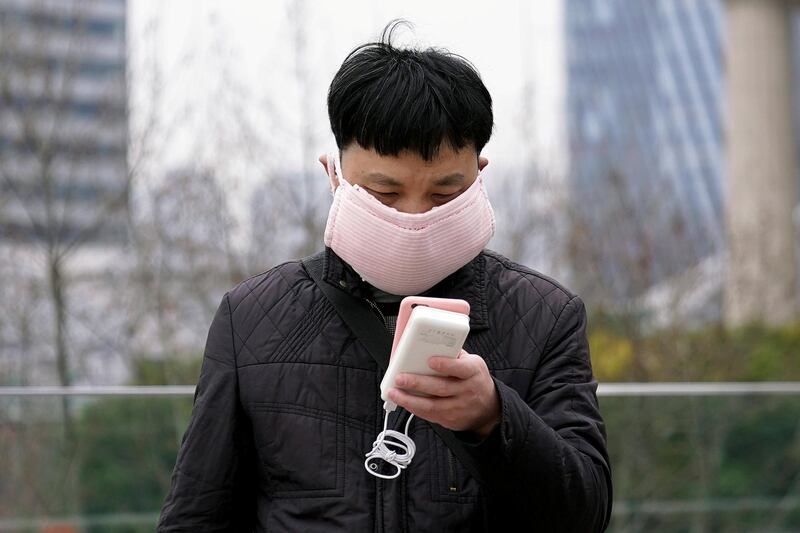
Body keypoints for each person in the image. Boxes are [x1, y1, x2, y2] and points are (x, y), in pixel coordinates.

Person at [158, 21, 612, 532]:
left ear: (479, 175)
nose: (415, 217)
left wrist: (494, 418)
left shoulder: (546, 316)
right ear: (334, 175)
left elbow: (585, 513)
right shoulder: (251, 318)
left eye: (443, 194)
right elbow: (197, 514)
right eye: (385, 194)